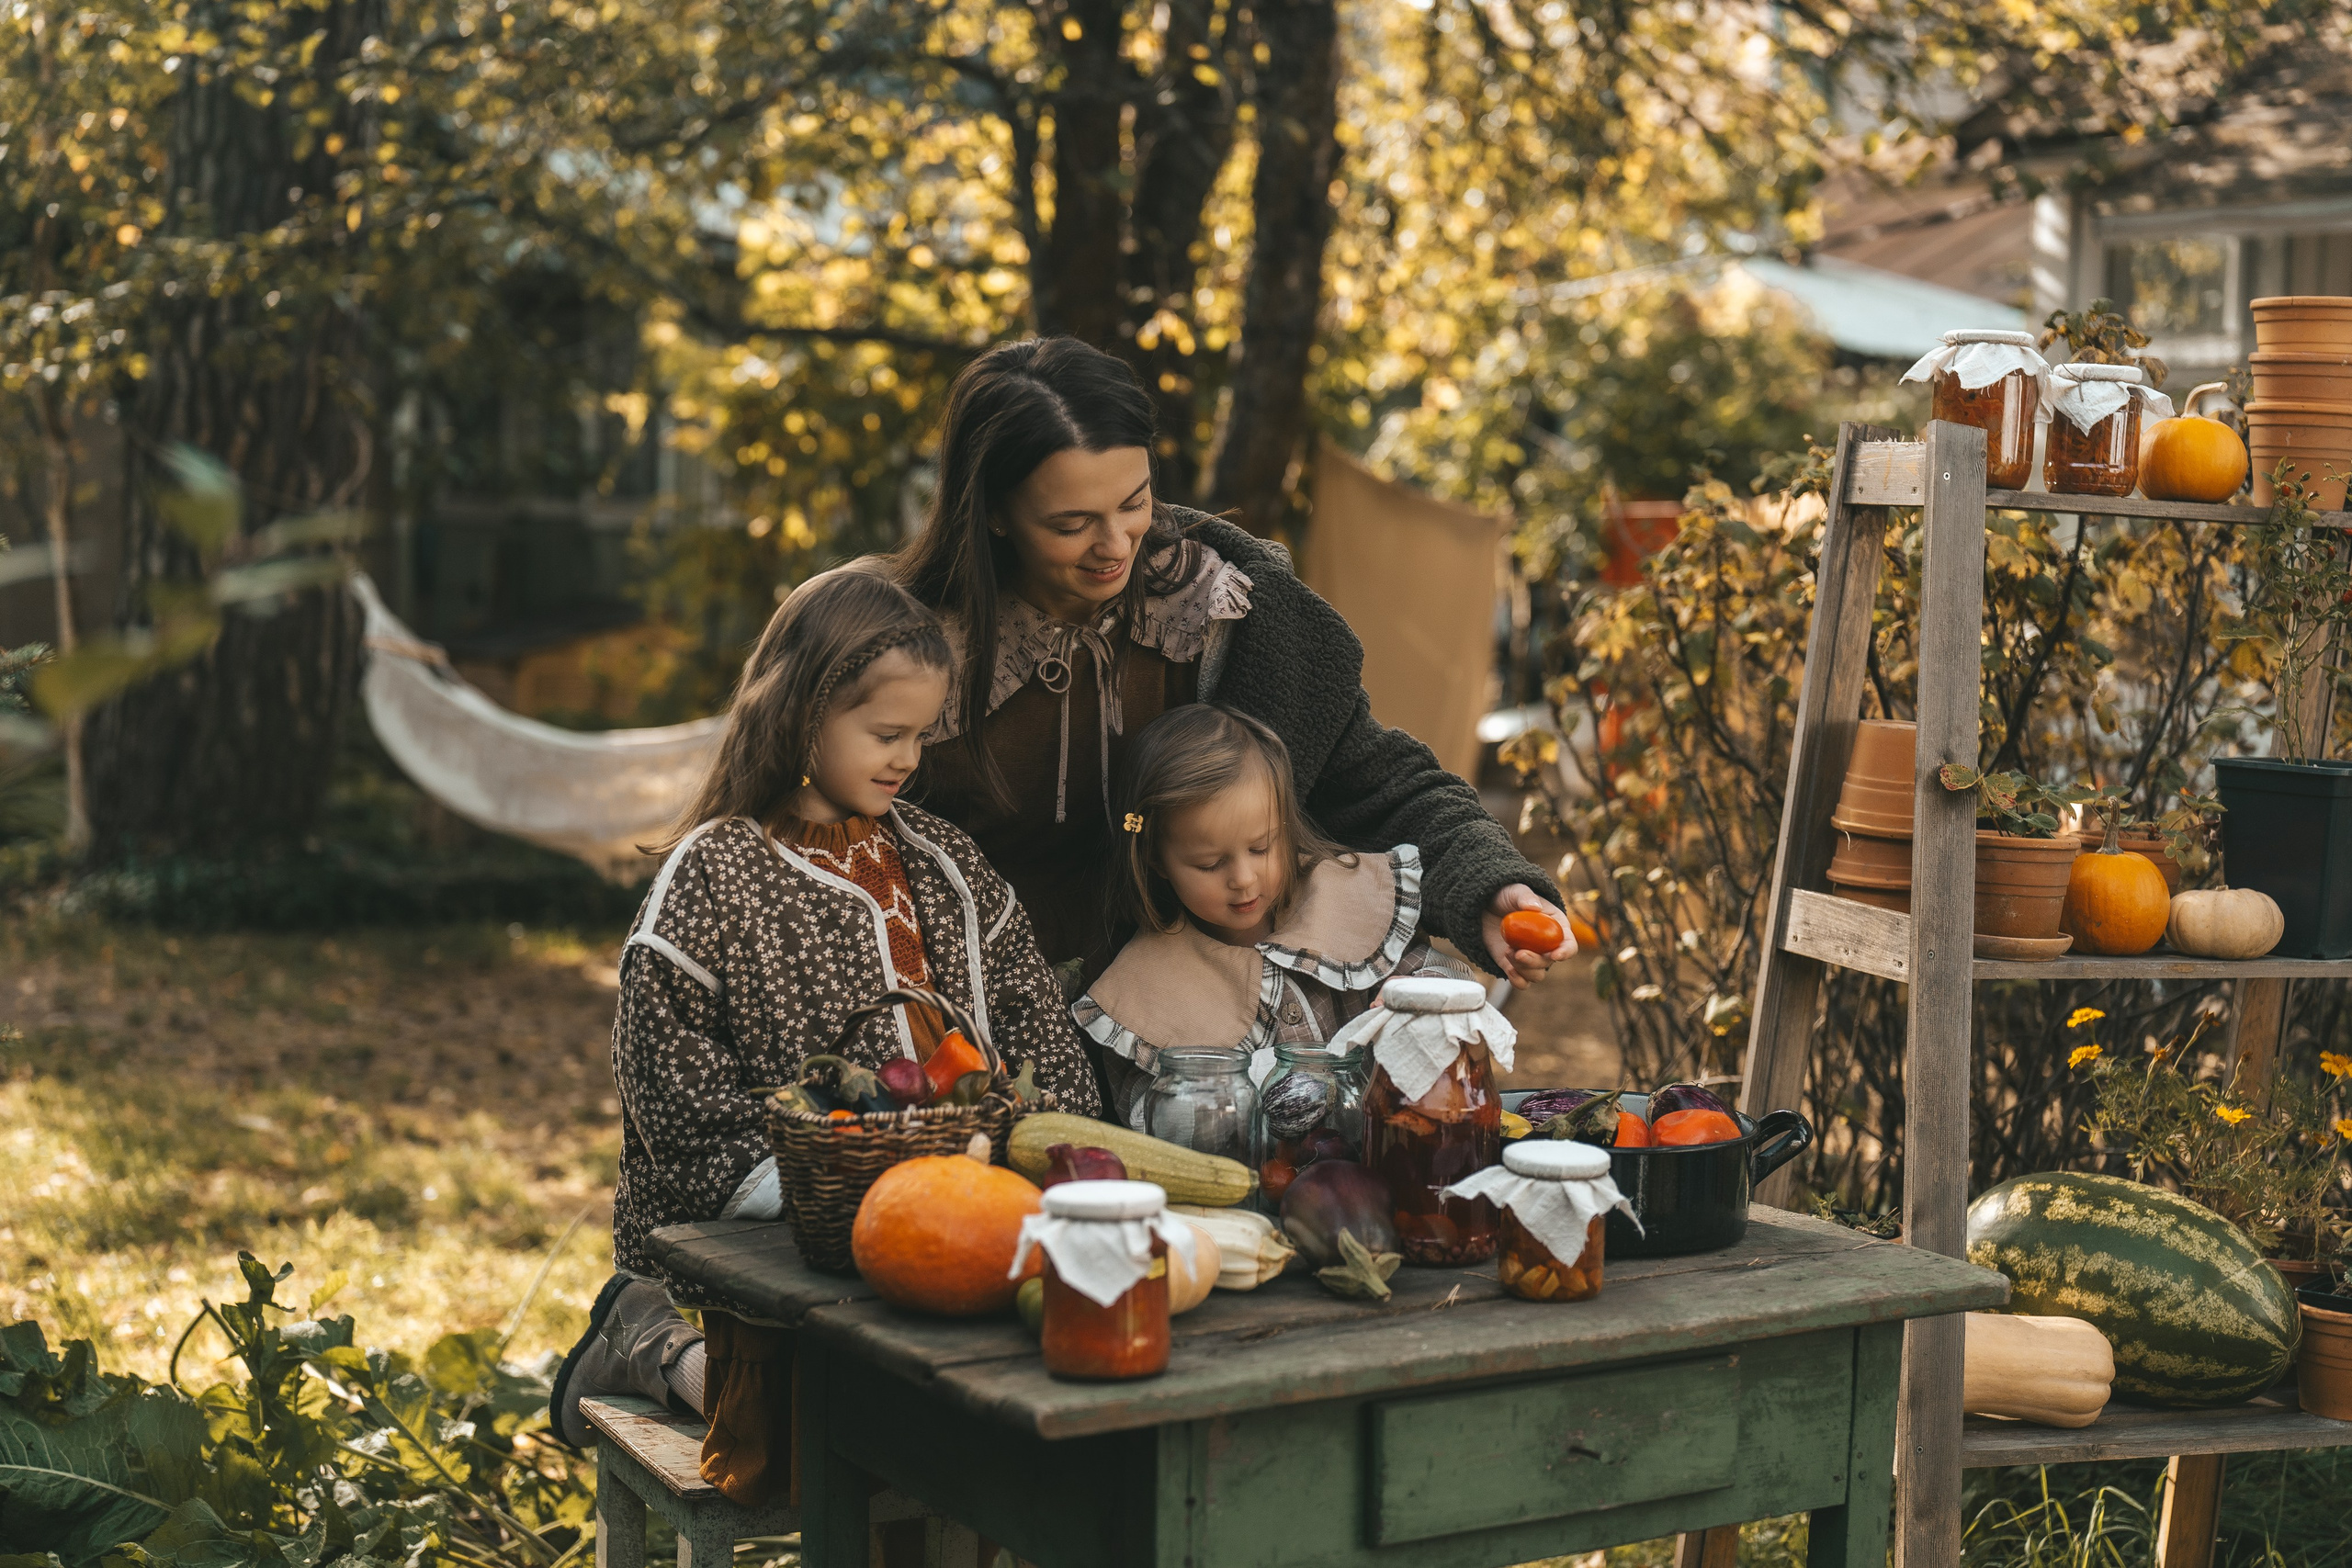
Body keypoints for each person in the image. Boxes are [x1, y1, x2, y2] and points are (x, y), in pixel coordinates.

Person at [549, 569, 1098, 1488]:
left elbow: (1032, 1013)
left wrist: (1054, 1154)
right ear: (803, 717)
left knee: (1004, 1426)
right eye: (886, 734)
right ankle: (647, 1341)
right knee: (813, 1436)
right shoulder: (715, 876)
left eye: (920, 735)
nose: (908, 757)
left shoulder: (943, 861)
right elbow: (673, 1107)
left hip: (972, 1226)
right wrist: (844, 1201)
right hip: (765, 1256)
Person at [893, 336, 1573, 996]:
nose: (1114, 544)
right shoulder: (898, 656)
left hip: (1195, 1031)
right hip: (974, 1039)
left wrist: (1486, 882)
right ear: (995, 513)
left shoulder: (1225, 613)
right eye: (1071, 524)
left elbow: (1377, 783)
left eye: (1135, 503)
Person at [1072, 704, 1470, 1126]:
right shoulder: (1144, 988)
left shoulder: (1340, 902)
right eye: (1209, 864)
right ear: (1154, 858)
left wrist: (1420, 996)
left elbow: (1453, 981)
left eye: (1261, 848)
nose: (1243, 879)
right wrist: (1221, 1102)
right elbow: (1145, 1117)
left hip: (1385, 1159)